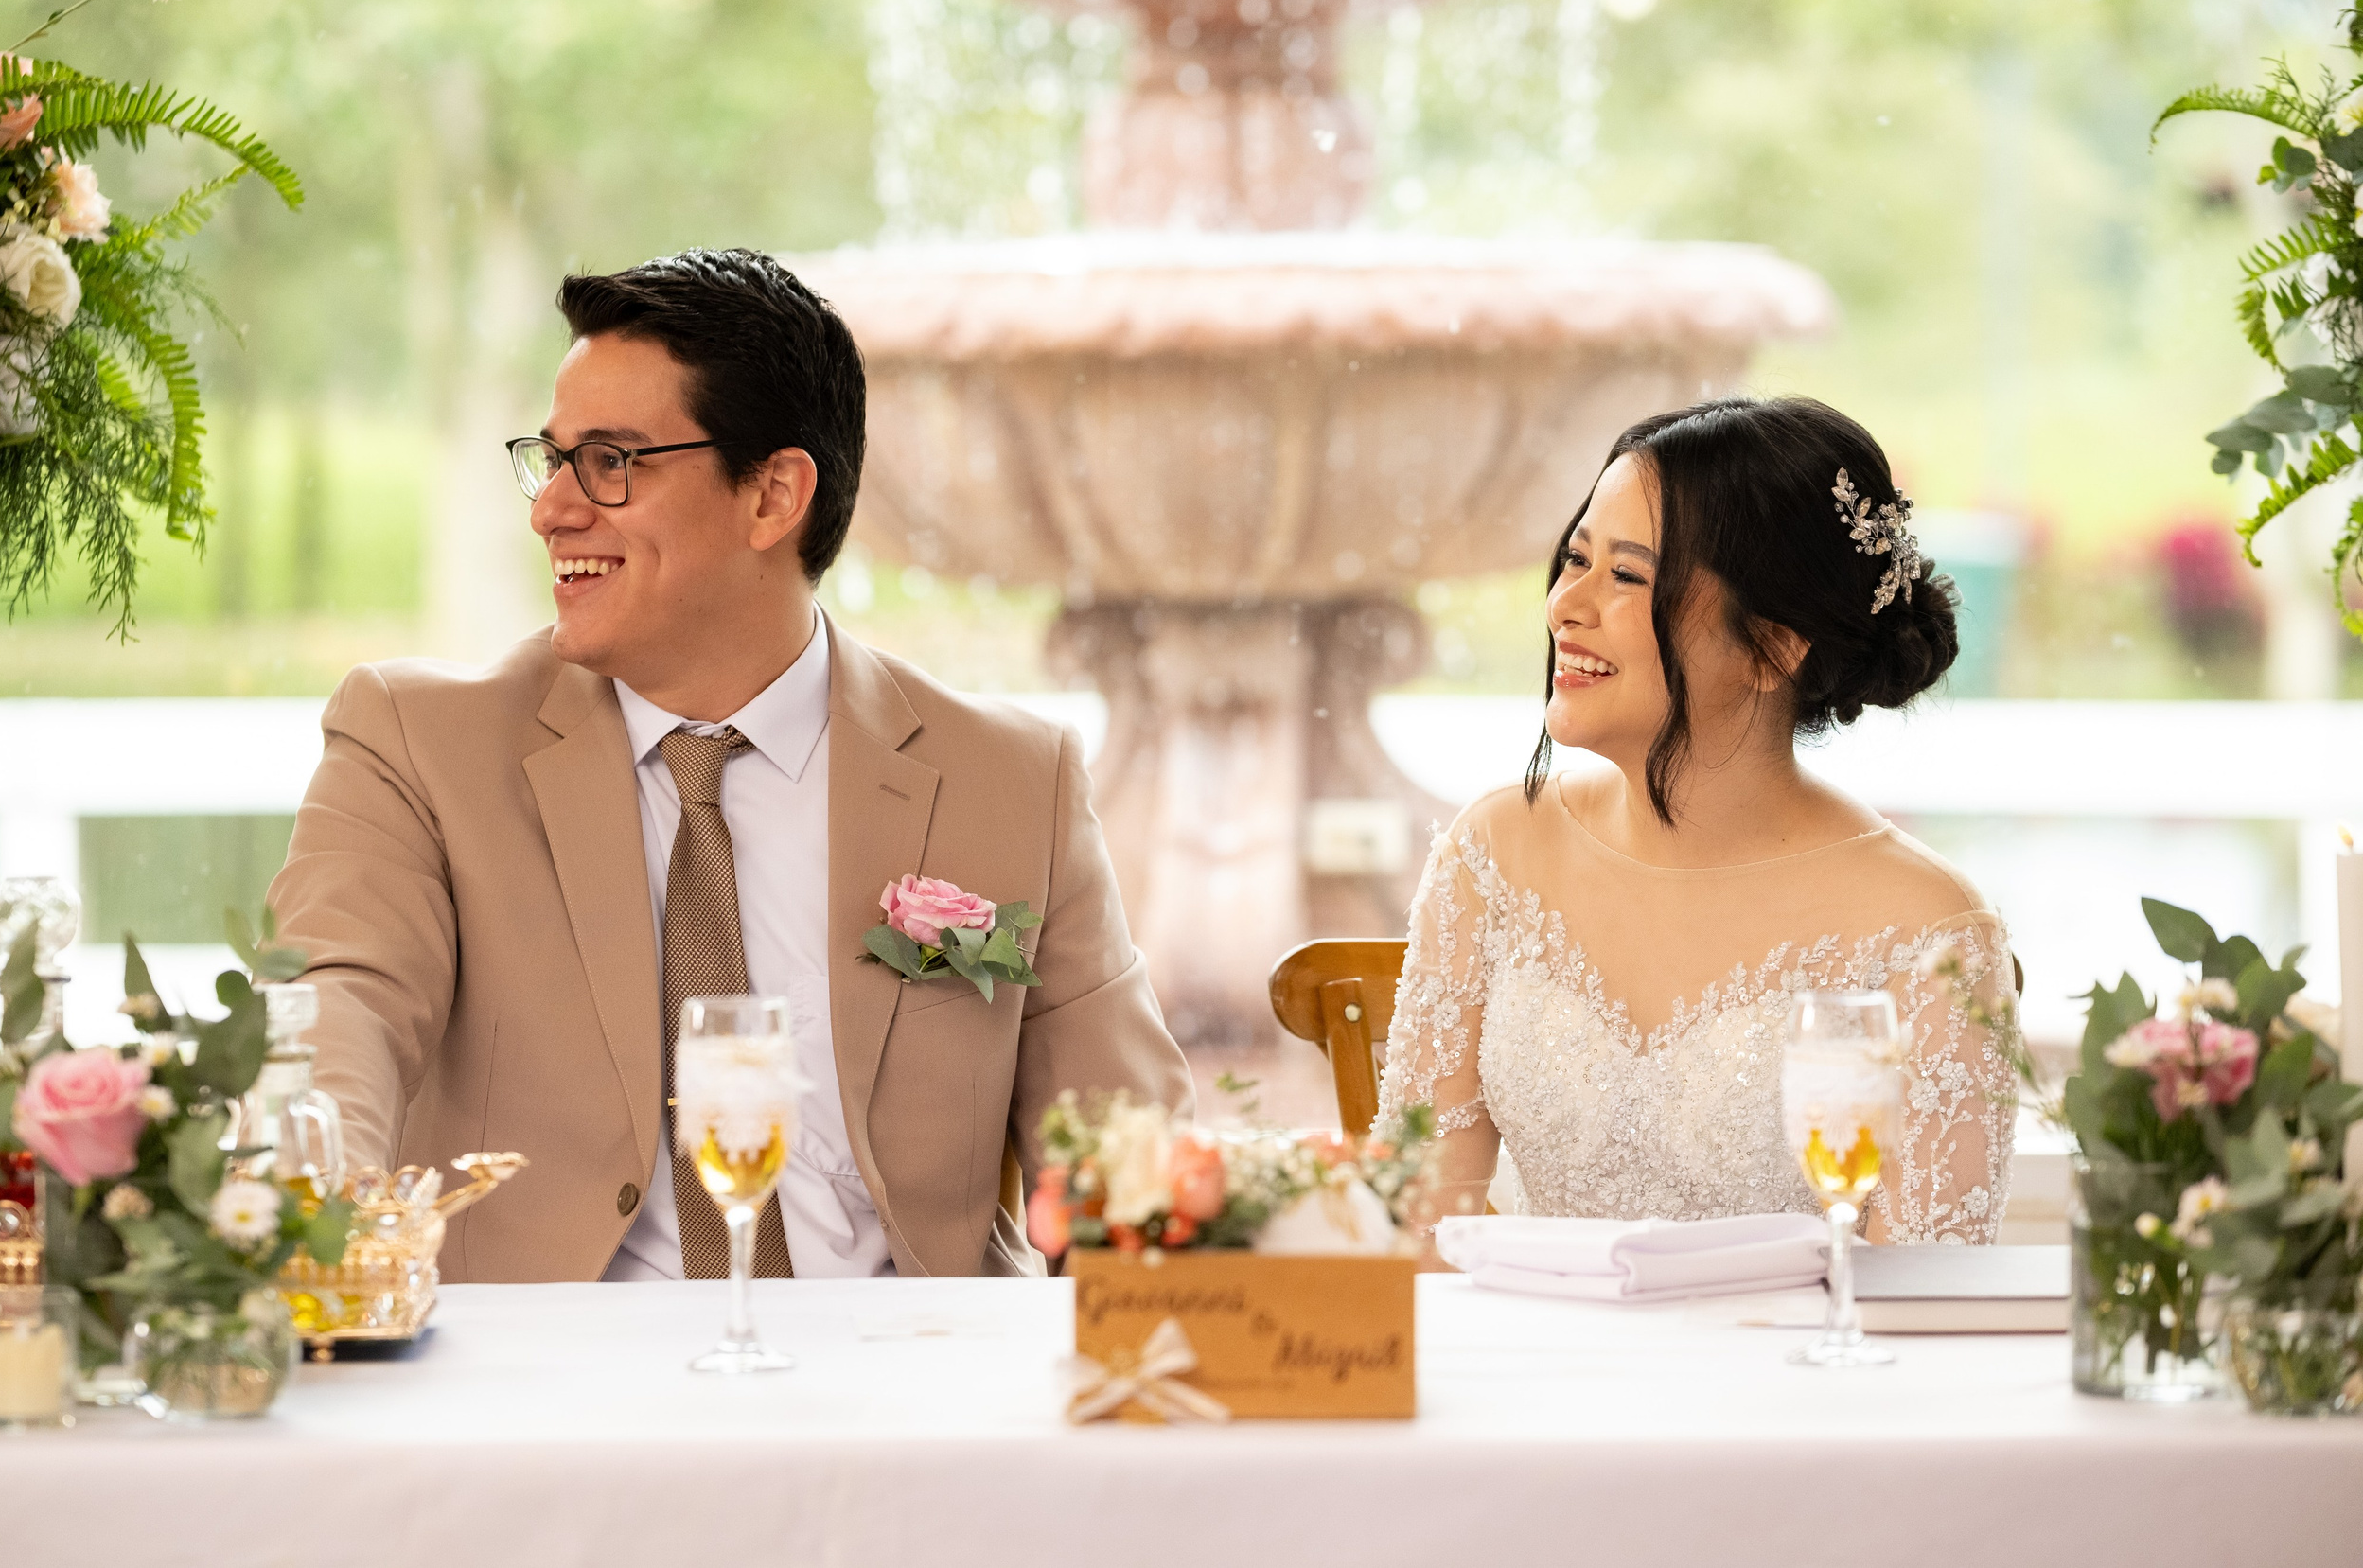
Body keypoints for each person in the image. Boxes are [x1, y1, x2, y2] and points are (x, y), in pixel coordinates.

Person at [270, 248, 1190, 1282]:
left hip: (910, 1393)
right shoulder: (413, 748)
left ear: (772, 496)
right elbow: (332, 1010)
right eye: (553, 457)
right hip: (552, 1406)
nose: (553, 510)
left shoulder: (1011, 779)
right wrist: (319, 1224)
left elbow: (1129, 1150)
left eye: (611, 462)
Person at [1378, 396, 2015, 1259]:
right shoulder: (1493, 853)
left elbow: (1928, 1300)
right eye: (1576, 558)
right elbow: (1411, 1237)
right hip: (1529, 1377)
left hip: (1788, 1386)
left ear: (1772, 646)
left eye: (1628, 577)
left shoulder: (1927, 928)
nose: (1567, 604)